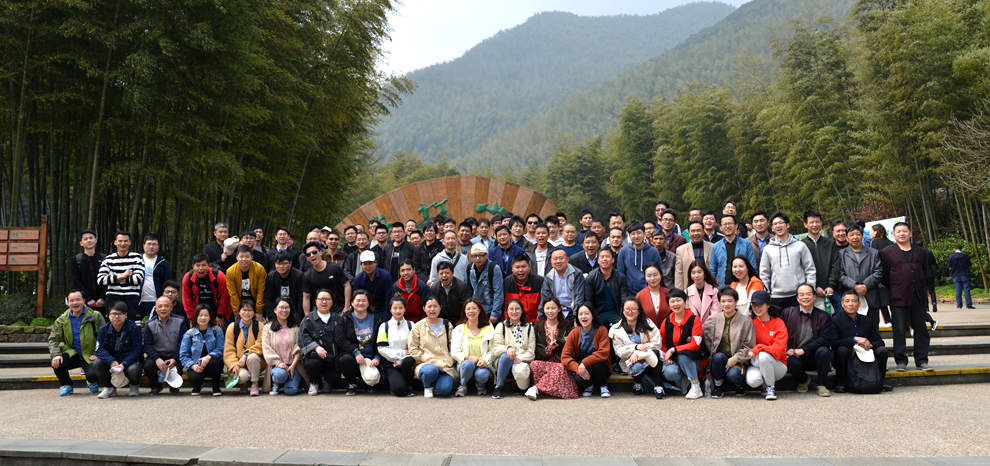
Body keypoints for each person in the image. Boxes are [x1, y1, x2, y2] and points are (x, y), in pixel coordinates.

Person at [880, 222, 933, 372]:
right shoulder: (886, 252)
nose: (902, 234)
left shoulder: (921, 252)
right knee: (899, 329)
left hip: (918, 295)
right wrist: (897, 286)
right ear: (893, 235)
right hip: (898, 295)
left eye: (904, 231)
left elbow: (924, 271)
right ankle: (901, 361)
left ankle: (922, 360)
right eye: (898, 231)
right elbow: (885, 276)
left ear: (910, 233)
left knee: (921, 328)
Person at [832, 290, 891, 393]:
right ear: (842, 304)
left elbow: (879, 341)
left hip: (865, 351)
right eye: (847, 301)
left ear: (859, 304)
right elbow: (833, 343)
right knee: (841, 351)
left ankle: (879, 380)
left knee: (882, 350)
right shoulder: (835, 320)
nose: (850, 304)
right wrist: (854, 339)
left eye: (854, 301)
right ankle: (841, 382)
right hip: (848, 353)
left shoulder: (867, 320)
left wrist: (870, 345)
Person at [781, 284, 834, 397]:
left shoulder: (824, 316)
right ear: (797, 298)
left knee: (824, 351)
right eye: (802, 295)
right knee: (789, 360)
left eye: (808, 294)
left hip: (814, 355)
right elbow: (779, 335)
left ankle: (821, 384)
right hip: (795, 355)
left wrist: (804, 350)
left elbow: (825, 339)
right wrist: (787, 349)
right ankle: (803, 380)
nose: (805, 297)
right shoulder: (787, 313)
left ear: (814, 297)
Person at [49, 290, 105, 396]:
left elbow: (104, 337)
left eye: (78, 299)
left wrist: (97, 353)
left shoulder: (95, 316)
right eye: (71, 300)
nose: (75, 303)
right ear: (67, 303)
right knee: (57, 363)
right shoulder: (62, 320)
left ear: (84, 301)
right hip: (72, 353)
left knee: (94, 372)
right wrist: (56, 354)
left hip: (90, 354)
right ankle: (67, 385)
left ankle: (91, 381)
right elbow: (52, 339)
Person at [703, 287, 756, 398]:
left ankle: (738, 385)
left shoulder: (745, 322)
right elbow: (703, 335)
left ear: (736, 302)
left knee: (734, 375)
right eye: (723, 301)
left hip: (737, 361)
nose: (726, 304)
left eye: (730, 301)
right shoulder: (714, 319)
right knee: (718, 357)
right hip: (718, 360)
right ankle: (718, 387)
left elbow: (749, 346)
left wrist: (734, 360)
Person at [299, 289, 354, 395]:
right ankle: (314, 382)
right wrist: (316, 347)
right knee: (314, 365)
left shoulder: (338, 319)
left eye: (327, 299)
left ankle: (326, 380)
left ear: (332, 301)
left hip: (332, 358)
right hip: (314, 357)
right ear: (316, 301)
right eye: (321, 299)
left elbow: (343, 338)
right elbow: (303, 338)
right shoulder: (308, 319)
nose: (324, 302)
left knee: (334, 378)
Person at [759, 212, 816, 309]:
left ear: (787, 225)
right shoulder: (768, 249)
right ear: (772, 228)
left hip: (799, 295)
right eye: (775, 224)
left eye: (781, 222)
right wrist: (766, 293)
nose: (778, 226)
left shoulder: (800, 246)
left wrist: (810, 290)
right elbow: (764, 273)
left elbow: (810, 269)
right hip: (777, 296)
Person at [609, 298, 665, 399]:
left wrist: (637, 353)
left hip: (650, 359)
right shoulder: (617, 329)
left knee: (655, 353)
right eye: (627, 309)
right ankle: (637, 383)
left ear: (639, 311)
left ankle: (659, 386)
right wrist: (635, 347)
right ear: (623, 311)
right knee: (636, 366)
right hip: (632, 362)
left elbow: (657, 343)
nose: (630, 311)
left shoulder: (648, 323)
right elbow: (619, 351)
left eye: (633, 309)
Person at [838, 224, 889, 332]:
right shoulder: (841, 254)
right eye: (851, 235)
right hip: (850, 297)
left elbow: (879, 272)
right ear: (847, 237)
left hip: (871, 297)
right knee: (851, 331)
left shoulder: (873, 253)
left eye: (858, 234)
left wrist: (865, 285)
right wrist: (855, 286)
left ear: (862, 236)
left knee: (873, 330)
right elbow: (840, 274)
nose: (855, 237)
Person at [526, 299, 579, 400]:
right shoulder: (539, 326)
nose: (550, 311)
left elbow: (570, 347)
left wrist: (556, 340)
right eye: (547, 308)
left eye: (553, 308)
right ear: (543, 309)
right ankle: (550, 389)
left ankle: (536, 388)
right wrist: (548, 349)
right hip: (544, 362)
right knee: (534, 364)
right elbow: (535, 349)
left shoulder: (566, 326)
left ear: (559, 309)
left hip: (560, 362)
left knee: (560, 367)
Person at [658, 289, 705, 399]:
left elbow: (695, 344)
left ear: (685, 301)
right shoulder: (666, 321)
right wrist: (666, 355)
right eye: (672, 301)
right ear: (668, 304)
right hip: (674, 359)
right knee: (670, 373)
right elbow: (662, 342)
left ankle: (696, 386)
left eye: (679, 300)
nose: (676, 304)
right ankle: (682, 386)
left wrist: (673, 350)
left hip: (693, 360)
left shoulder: (694, 320)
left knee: (683, 356)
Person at [408, 296, 458, 397]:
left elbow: (454, 346)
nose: (432, 309)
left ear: (440, 307)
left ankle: (438, 382)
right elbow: (413, 349)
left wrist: (450, 359)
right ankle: (428, 386)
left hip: (445, 365)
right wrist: (429, 359)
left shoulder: (447, 325)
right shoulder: (418, 326)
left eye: (435, 306)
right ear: (424, 308)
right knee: (430, 370)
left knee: (444, 390)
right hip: (426, 364)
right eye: (429, 306)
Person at [92, 301, 144, 398]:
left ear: (125, 315)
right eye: (114, 314)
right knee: (97, 364)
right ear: (109, 315)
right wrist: (112, 362)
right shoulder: (103, 329)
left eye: (120, 314)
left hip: (129, 360)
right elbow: (100, 349)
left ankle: (134, 385)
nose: (117, 316)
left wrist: (124, 364)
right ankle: (109, 387)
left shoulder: (134, 329)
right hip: (112, 359)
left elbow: (137, 350)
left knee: (134, 370)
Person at [562, 303, 613, 398]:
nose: (583, 316)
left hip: (601, 367)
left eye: (586, 313)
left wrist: (584, 362)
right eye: (580, 314)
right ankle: (590, 385)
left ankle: (603, 386)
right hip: (584, 368)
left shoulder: (602, 330)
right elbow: (565, 356)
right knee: (578, 380)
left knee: (597, 366)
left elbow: (603, 353)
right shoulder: (574, 333)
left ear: (592, 316)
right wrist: (577, 369)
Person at [339, 290, 383, 395]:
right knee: (345, 360)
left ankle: (369, 384)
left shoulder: (377, 318)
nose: (361, 303)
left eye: (364, 300)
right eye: (358, 300)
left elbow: (381, 341)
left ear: (368, 303)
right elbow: (340, 340)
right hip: (353, 357)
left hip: (371, 358)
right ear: (352, 303)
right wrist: (356, 352)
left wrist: (377, 357)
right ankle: (351, 383)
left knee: (375, 380)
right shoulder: (345, 318)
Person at [747, 291, 789, 400]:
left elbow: (779, 350)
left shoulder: (778, 323)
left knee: (763, 355)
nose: (756, 308)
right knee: (752, 381)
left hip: (777, 365)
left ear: (768, 305)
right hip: (756, 363)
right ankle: (764, 383)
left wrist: (759, 348)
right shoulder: (750, 322)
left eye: (760, 305)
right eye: (754, 305)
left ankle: (770, 387)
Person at [261, 298, 308, 395]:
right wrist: (278, 363)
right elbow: (266, 348)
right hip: (277, 366)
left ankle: (293, 382)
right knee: (280, 375)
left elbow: (299, 347)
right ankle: (277, 383)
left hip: (294, 365)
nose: (284, 310)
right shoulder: (267, 328)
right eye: (281, 307)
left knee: (291, 391)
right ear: (275, 310)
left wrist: (293, 365)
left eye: (287, 307)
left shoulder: (296, 327)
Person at [491, 299, 536, 398]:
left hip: (520, 362)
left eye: (517, 309)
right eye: (511, 309)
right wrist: (508, 348)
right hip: (503, 362)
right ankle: (498, 386)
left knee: (521, 371)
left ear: (522, 311)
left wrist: (519, 358)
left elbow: (531, 352)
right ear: (507, 311)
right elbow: (495, 349)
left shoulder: (529, 328)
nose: (514, 312)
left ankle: (520, 386)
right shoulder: (501, 326)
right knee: (506, 356)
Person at [97, 231, 146, 321]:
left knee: (132, 324)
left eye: (125, 241)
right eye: (120, 241)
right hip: (112, 297)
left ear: (130, 242)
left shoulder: (137, 258)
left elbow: (139, 279)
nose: (123, 243)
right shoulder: (108, 259)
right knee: (111, 324)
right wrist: (123, 276)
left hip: (131, 297)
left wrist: (114, 278)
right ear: (115, 242)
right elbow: (101, 280)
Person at [179, 304, 226, 396]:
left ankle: (215, 386)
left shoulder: (217, 330)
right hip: (196, 364)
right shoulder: (189, 334)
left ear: (210, 317)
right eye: (200, 315)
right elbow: (183, 355)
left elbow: (221, 349)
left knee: (215, 363)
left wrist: (208, 357)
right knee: (195, 378)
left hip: (212, 364)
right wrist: (193, 366)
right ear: (196, 317)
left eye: (206, 315)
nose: (203, 318)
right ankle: (197, 386)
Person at [143, 296, 186, 395]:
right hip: (158, 355)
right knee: (148, 365)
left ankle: (173, 385)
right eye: (160, 306)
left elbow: (182, 342)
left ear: (171, 307)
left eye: (166, 306)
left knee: (179, 368)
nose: (163, 309)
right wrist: (157, 359)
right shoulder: (150, 324)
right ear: (156, 308)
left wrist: (175, 358)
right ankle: (155, 386)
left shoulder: (180, 321)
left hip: (175, 355)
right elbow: (147, 345)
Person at [451, 299, 495, 396]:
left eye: (474, 308)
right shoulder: (459, 329)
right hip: (465, 366)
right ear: (464, 311)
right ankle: (463, 385)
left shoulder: (489, 328)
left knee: (482, 375)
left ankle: (480, 385)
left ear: (479, 310)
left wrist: (485, 360)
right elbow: (454, 352)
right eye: (468, 309)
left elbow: (493, 350)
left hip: (482, 365)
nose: (471, 311)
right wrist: (468, 357)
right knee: (468, 364)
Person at [376, 297, 417, 397]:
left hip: (407, 361)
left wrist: (401, 360)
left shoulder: (411, 325)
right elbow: (381, 349)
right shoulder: (384, 326)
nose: (398, 311)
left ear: (405, 309)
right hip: (391, 363)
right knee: (399, 390)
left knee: (408, 361)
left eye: (401, 308)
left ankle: (410, 386)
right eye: (395, 308)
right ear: (390, 309)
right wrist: (401, 353)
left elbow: (416, 347)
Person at [223, 300, 266, 396]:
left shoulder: (260, 326)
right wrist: (234, 364)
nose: (247, 313)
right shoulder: (232, 327)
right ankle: (244, 384)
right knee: (242, 377)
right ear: (239, 312)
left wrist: (245, 356)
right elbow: (229, 349)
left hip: (256, 362)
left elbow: (260, 345)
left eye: (250, 310)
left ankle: (254, 383)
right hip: (238, 364)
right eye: (244, 310)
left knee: (253, 356)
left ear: (254, 313)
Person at [801, 210, 842, 310]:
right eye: (811, 222)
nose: (815, 225)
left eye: (817, 221)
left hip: (832, 290)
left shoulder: (830, 243)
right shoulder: (801, 245)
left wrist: (831, 285)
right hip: (811, 292)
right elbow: (801, 269)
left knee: (840, 316)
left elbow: (835, 265)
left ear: (821, 223)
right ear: (805, 224)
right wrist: (814, 286)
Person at [583, 248, 631, 328]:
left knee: (624, 327)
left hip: (615, 312)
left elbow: (623, 299)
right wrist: (592, 315)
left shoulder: (620, 277)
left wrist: (622, 316)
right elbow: (589, 300)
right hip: (598, 312)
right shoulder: (591, 276)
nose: (604, 259)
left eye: (607, 256)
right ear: (598, 260)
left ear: (613, 260)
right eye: (602, 257)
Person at [302, 241, 351, 316]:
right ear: (306, 258)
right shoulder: (307, 275)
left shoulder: (335, 268)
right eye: (308, 254)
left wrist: (346, 307)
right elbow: (306, 297)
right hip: (318, 312)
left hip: (338, 309)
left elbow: (347, 285)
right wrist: (307, 316)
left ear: (321, 252)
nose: (312, 255)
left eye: (314, 252)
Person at [181, 253, 231, 325]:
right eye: (198, 265)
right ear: (193, 266)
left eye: (204, 265)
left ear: (208, 265)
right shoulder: (188, 277)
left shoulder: (219, 276)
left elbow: (225, 296)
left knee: (220, 329)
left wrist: (220, 315)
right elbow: (186, 299)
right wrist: (191, 318)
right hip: (198, 311)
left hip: (217, 309)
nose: (201, 268)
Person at [708, 215, 757, 288]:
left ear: (736, 226)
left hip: (742, 285)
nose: (727, 226)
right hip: (722, 286)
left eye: (730, 223)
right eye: (725, 224)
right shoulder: (716, 246)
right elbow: (713, 270)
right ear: (720, 228)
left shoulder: (746, 244)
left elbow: (752, 266)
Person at [541, 249, 587, 321]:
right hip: (555, 312)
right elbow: (545, 299)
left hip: (572, 311)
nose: (558, 261)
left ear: (567, 259)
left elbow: (579, 297)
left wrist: (576, 318)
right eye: (555, 259)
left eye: (561, 258)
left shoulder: (576, 274)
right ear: (551, 261)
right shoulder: (549, 277)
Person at [616, 221, 662, 293]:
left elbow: (659, 272)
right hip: (630, 293)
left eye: (639, 233)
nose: (636, 236)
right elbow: (620, 275)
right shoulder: (623, 251)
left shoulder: (653, 251)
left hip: (650, 291)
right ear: (629, 236)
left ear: (644, 234)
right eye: (633, 234)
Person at [134, 233, 172, 320]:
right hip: (138, 300)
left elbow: (168, 283)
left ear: (158, 246)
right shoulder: (136, 260)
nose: (151, 247)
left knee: (156, 325)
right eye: (149, 244)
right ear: (143, 245)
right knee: (135, 324)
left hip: (157, 301)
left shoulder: (163, 263)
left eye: (154, 244)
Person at [466, 244, 504, 323]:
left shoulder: (494, 268)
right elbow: (468, 289)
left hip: (490, 309)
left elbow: (498, 292)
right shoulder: (470, 268)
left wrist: (495, 314)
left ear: (486, 255)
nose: (477, 258)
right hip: (475, 310)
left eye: (480, 255)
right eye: (474, 256)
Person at [226, 245, 267, 318]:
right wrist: (237, 313)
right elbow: (233, 294)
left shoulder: (259, 269)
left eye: (247, 257)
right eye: (241, 256)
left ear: (252, 257)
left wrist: (259, 311)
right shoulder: (230, 271)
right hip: (239, 302)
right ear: (237, 257)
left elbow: (261, 291)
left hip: (255, 301)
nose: (244, 259)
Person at [352, 250, 393, 321]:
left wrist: (386, 320)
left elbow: (388, 298)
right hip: (366, 310)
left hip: (383, 309)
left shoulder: (385, 276)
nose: (368, 267)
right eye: (365, 264)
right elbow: (356, 298)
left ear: (375, 263)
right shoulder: (358, 279)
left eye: (370, 263)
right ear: (361, 265)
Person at [503, 254, 545, 323]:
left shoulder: (539, 281)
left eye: (523, 266)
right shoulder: (506, 282)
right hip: (512, 323)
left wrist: (538, 324)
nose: (520, 270)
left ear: (529, 266)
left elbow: (543, 306)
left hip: (534, 323)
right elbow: (504, 307)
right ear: (512, 268)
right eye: (517, 267)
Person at [264, 251, 304, 321]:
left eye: (284, 263)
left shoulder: (299, 276)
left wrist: (298, 317)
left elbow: (301, 298)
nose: (281, 266)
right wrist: (272, 318)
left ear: (290, 263)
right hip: (278, 311)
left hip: (294, 311)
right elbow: (269, 299)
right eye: (278, 264)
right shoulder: (271, 277)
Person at [675, 221, 712, 289]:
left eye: (698, 230)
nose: (696, 233)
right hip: (689, 288)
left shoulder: (712, 247)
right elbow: (679, 273)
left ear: (703, 232)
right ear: (689, 233)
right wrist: (679, 292)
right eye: (693, 231)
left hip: (709, 287)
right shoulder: (681, 250)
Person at [393, 258, 431, 323]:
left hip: (420, 321)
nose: (405, 273)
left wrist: (423, 325)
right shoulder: (396, 286)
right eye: (402, 270)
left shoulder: (422, 287)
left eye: (408, 269)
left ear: (414, 270)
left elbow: (426, 310)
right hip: (402, 321)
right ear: (399, 272)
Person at [636, 262, 671, 329]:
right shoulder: (640, 295)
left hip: (668, 330)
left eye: (655, 275)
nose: (652, 278)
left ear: (661, 275)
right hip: (648, 330)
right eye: (649, 276)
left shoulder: (669, 293)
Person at [949, 244, 975, 309]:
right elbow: (969, 264)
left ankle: (959, 305)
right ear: (961, 249)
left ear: (955, 249)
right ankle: (969, 304)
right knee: (967, 290)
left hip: (956, 274)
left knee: (958, 290)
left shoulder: (951, 256)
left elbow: (950, 265)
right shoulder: (965, 256)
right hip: (965, 274)